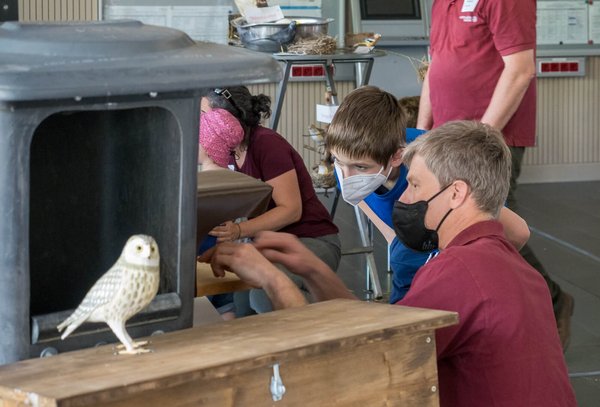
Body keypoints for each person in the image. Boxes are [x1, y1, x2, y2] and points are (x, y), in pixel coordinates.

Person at [201, 121, 576, 406]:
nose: (406, 199)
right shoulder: (515, 268)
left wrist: (273, 280)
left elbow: (360, 365)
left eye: (415, 186)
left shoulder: (461, 270)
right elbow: (381, 331)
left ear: (457, 194)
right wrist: (312, 269)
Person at [416, 0, 574, 350]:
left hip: (487, 138)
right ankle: (481, 306)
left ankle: (548, 300)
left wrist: (480, 139)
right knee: (456, 223)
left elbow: (519, 70)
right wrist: (421, 133)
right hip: (447, 136)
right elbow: (436, 68)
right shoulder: (443, 2)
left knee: (491, 222)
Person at [327, 86, 529, 303]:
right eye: (339, 162)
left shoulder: (435, 161)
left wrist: (464, 267)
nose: (347, 177)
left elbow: (517, 233)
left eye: (360, 167)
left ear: (397, 157)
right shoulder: (348, 166)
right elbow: (394, 235)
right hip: (416, 244)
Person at [201, 86, 341, 314]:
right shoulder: (230, 150)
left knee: (264, 296)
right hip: (270, 241)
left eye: (205, 115)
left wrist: (238, 231)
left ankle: (335, 316)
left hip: (313, 239)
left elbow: (291, 210)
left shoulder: (267, 144)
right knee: (242, 303)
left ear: (227, 119)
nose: (201, 123)